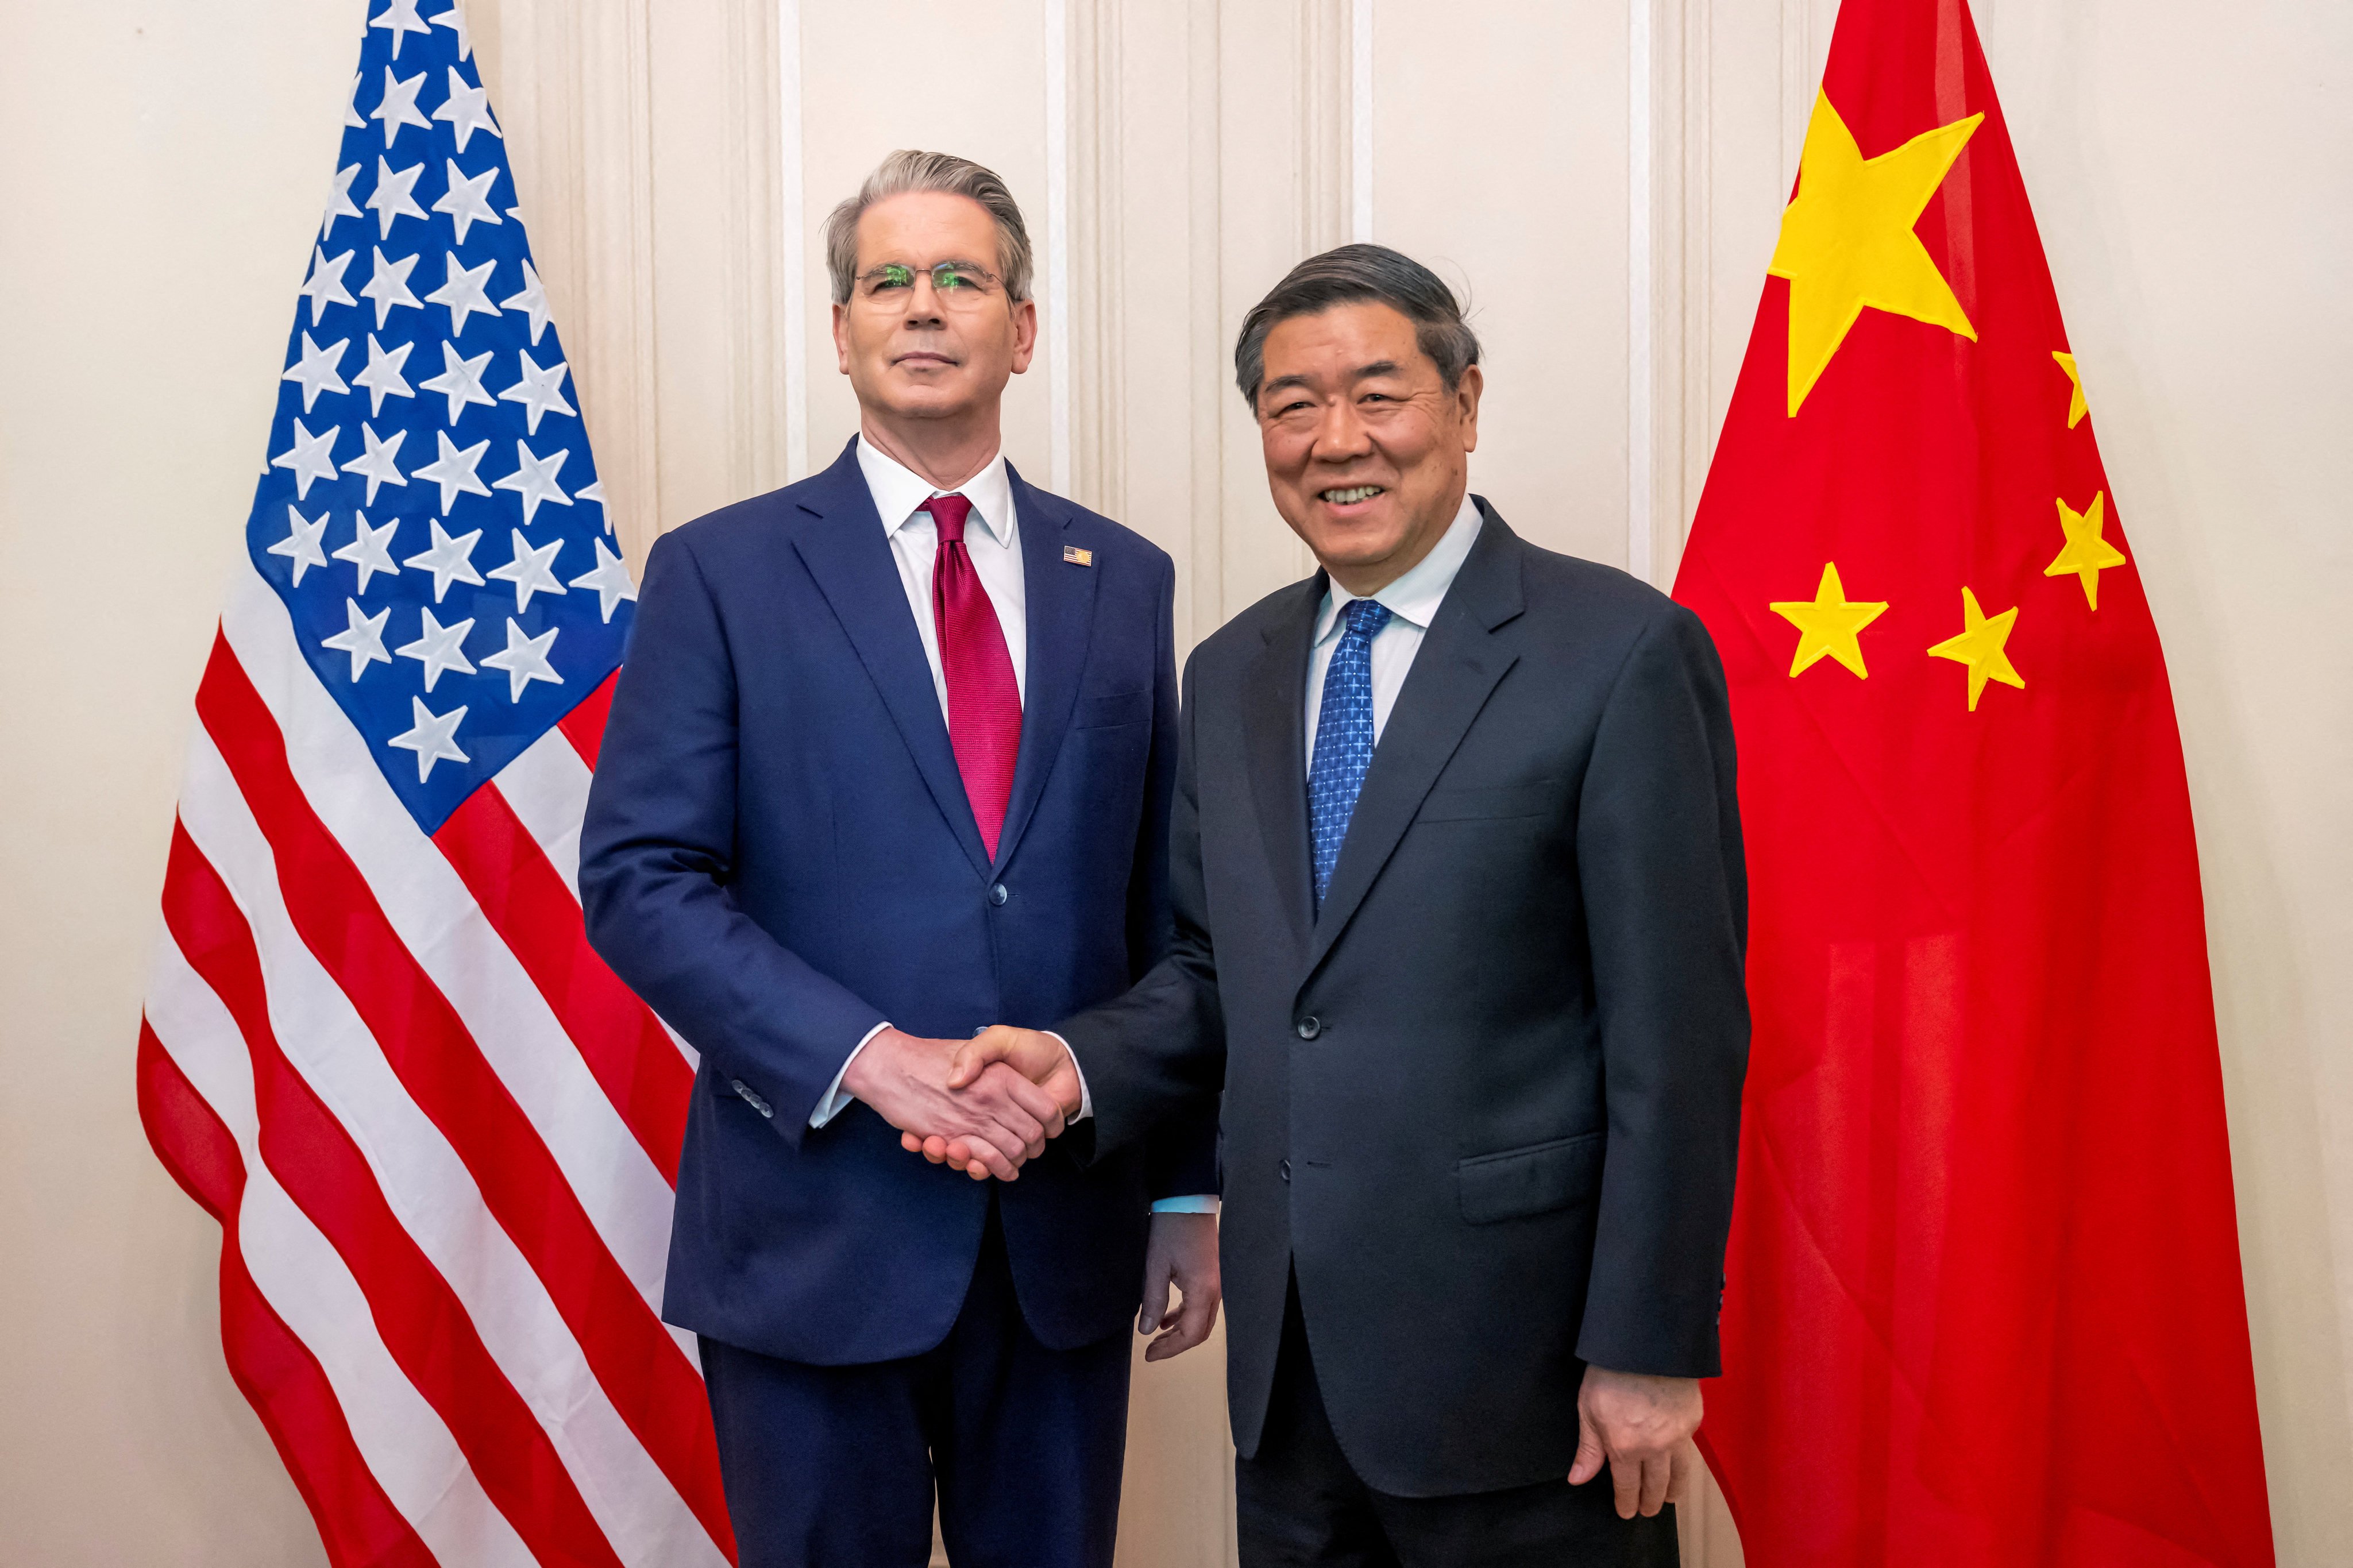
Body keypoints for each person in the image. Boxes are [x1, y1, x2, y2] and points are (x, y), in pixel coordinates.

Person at [928, 244, 1750, 1567]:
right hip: (1291, 1380)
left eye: (1378, 395)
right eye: (1291, 405)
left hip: (1529, 1380)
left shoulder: (1619, 654)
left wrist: (1648, 1347)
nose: (1334, 441)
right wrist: (1076, 1066)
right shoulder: (1235, 667)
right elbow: (1219, 974)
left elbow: (1679, 1038)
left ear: (1464, 408)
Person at [578, 149, 1221, 1568]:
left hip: (1058, 1238)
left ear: (1022, 327)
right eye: (889, 280)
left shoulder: (1123, 579)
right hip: (812, 1235)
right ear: (843, 328)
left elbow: (1164, 924)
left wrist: (1181, 1187)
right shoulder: (720, 570)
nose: (923, 306)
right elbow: (642, 880)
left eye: (961, 278)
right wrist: (869, 1055)